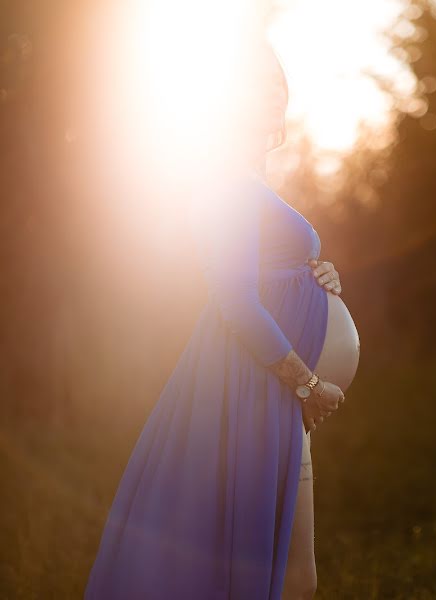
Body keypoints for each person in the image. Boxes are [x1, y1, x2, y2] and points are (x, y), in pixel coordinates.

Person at [84, 38, 343, 599]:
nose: (274, 94)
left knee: (295, 575)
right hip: (252, 392)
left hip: (273, 396)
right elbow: (235, 301)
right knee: (264, 573)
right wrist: (308, 383)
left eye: (278, 84)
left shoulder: (250, 182)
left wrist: (320, 277)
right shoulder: (222, 183)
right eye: (258, 85)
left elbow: (271, 274)